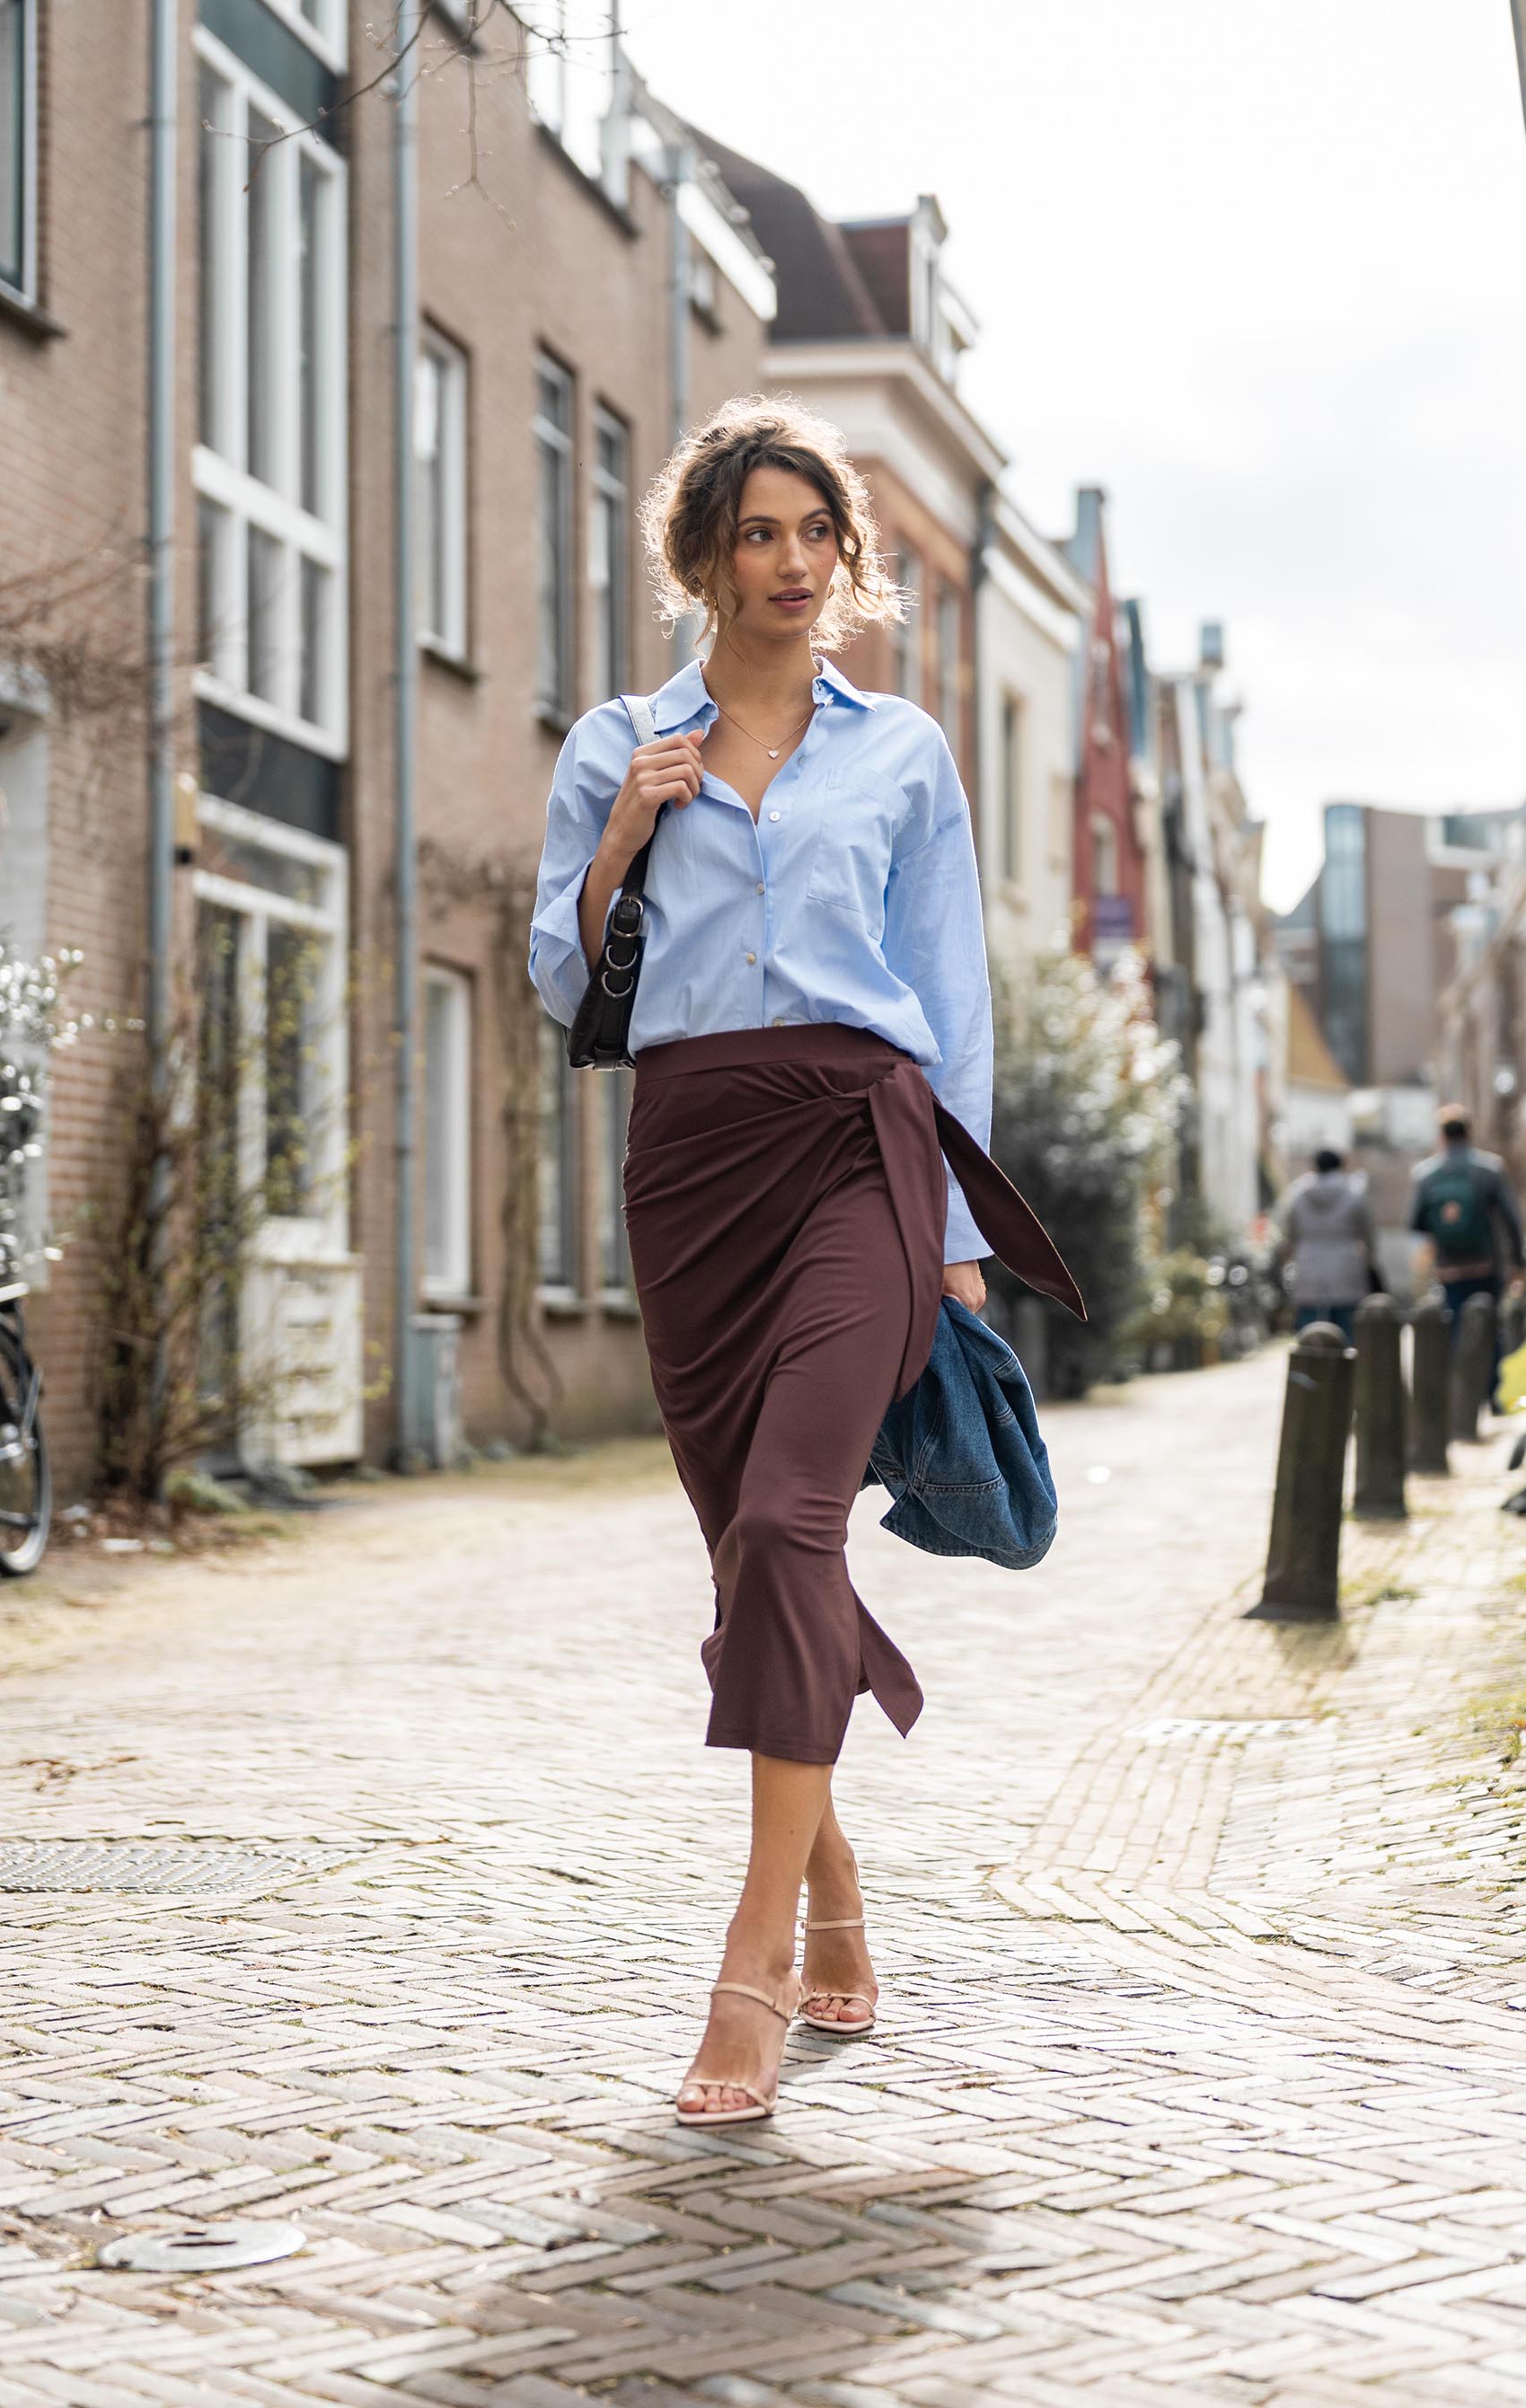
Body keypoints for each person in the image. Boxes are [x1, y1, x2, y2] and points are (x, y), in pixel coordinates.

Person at [528, 397, 1076, 2127]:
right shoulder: (619, 739)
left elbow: (952, 1002)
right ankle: (837, 1876)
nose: (785, 562)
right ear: (703, 553)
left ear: (844, 558)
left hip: (861, 1144)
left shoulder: (903, 750)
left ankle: (750, 1957)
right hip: (689, 1163)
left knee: (788, 1524)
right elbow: (565, 981)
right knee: (744, 1559)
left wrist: (964, 1244)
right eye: (753, 533)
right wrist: (624, 835)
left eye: (811, 533)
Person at [1410, 1106, 1525, 1391]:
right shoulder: (1489, 1169)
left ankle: (1459, 1393)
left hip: (1448, 1267)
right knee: (1489, 1326)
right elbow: (1511, 1219)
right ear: (1468, 1133)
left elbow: (1416, 1222)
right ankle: (1491, 1391)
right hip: (1485, 1264)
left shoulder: (1426, 1174)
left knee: (1453, 1326)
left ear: (1442, 1136)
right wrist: (1517, 1262)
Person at [1273, 1145, 1375, 1339]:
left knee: (1309, 1331)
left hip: (1308, 1264)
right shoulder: (1354, 1193)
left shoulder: (1297, 1194)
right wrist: (1369, 1260)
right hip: (1346, 1264)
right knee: (1347, 1328)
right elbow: (1367, 1233)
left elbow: (1289, 1233)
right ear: (1341, 1166)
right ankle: (1346, 1369)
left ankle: (1308, 1368)